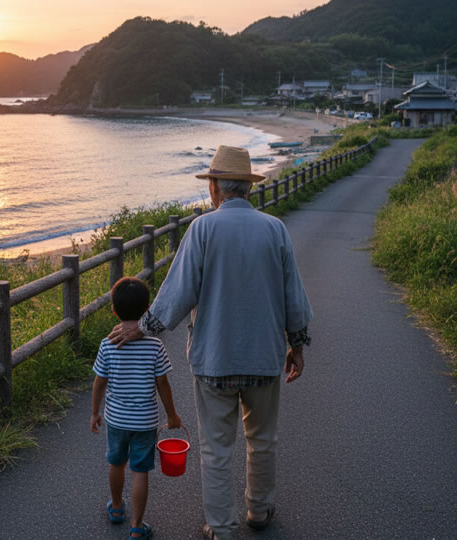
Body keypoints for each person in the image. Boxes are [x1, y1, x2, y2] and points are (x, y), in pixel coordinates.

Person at [108, 146, 313, 540]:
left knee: (216, 450)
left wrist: (141, 327)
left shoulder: (202, 229)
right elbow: (293, 296)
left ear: (216, 187)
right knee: (262, 441)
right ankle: (257, 510)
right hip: (263, 358)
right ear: (247, 187)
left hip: (214, 360)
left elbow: (177, 292)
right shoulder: (274, 229)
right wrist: (297, 345)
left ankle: (221, 528)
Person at [91, 277, 181, 540]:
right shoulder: (155, 345)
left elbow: (99, 382)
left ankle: (117, 508)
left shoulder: (108, 344)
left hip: (116, 419)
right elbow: (163, 384)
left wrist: (95, 412)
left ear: (113, 309)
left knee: (116, 462)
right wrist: (172, 415)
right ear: (147, 309)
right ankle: (136, 527)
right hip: (145, 421)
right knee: (140, 471)